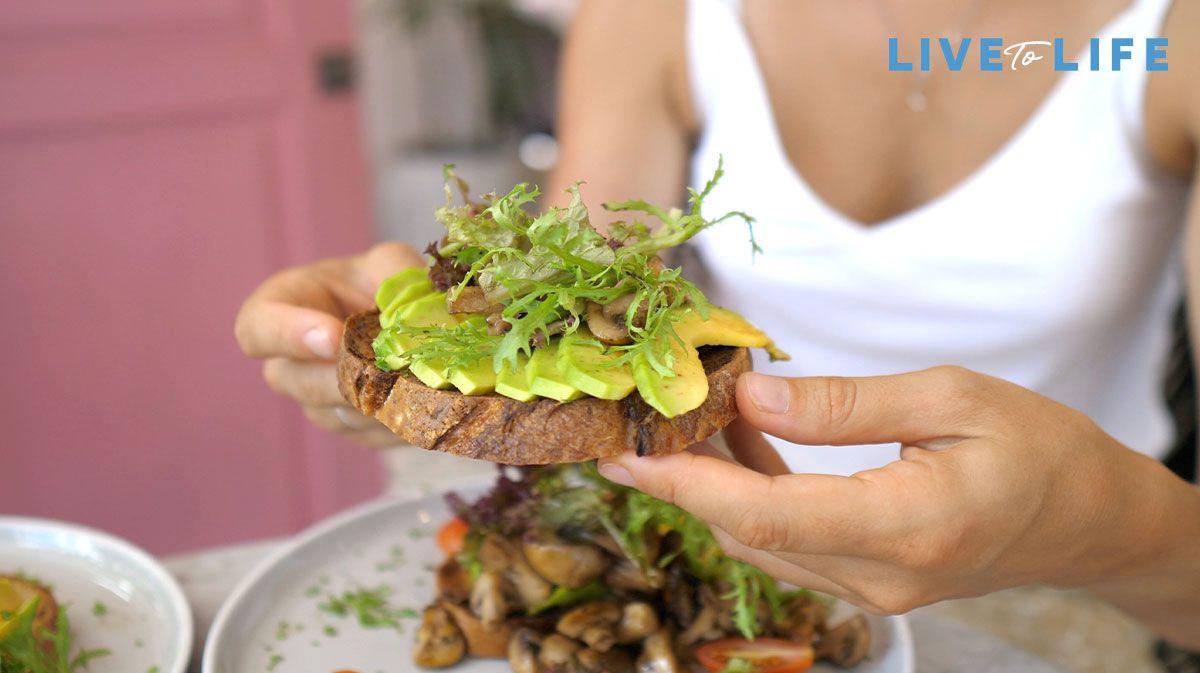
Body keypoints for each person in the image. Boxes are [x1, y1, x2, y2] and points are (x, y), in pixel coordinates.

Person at [235, 0, 1200, 648]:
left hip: (1087, 593)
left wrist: (1109, 536)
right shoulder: (655, 14)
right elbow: (578, 299)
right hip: (717, 552)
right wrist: (437, 363)